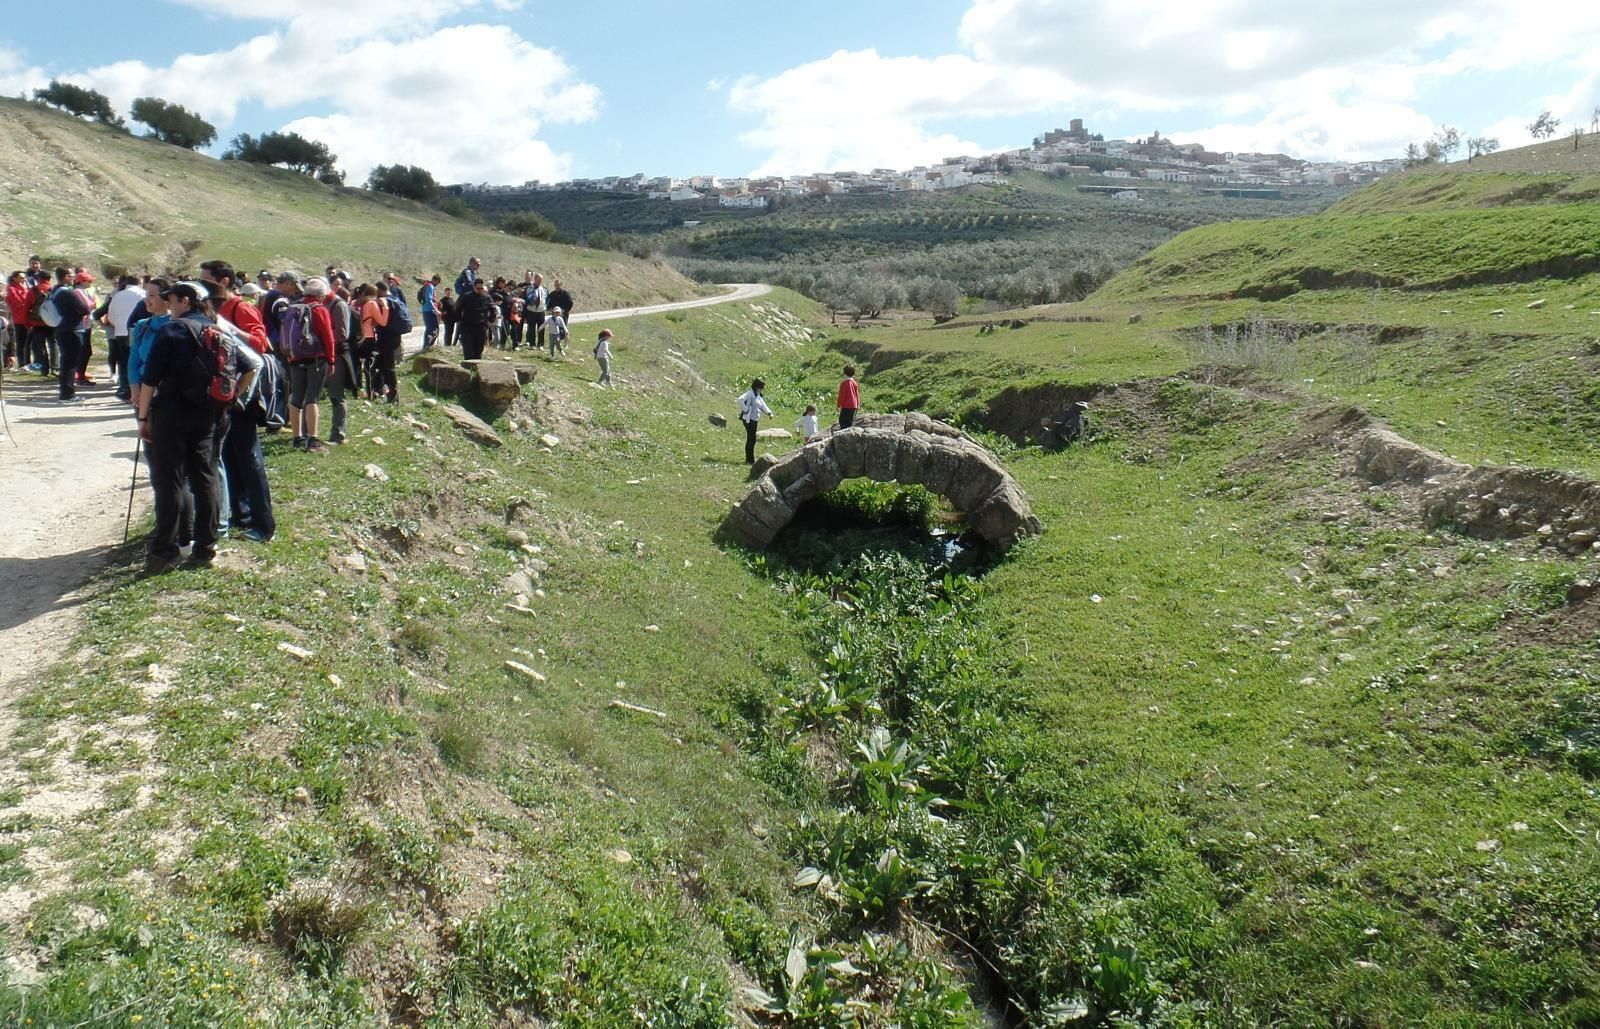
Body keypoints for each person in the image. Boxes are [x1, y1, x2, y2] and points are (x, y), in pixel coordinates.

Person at [137, 281, 246, 574]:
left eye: (170, 299)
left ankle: (164, 551)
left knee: (170, 480)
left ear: (185, 301)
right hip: (208, 412)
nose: (168, 304)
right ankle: (205, 547)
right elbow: (247, 366)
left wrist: (142, 417)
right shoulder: (218, 330)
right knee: (204, 477)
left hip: (170, 412)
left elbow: (149, 379)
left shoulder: (171, 330)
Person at [282, 276, 337, 450]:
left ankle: (297, 438)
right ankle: (313, 439)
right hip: (316, 358)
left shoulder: (293, 308)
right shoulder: (320, 309)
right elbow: (328, 337)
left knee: (296, 397)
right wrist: (331, 359)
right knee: (312, 398)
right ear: (321, 295)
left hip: (294, 358)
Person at [200, 260, 270, 355]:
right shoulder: (204, 305)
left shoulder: (241, 308)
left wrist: (229, 330)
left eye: (206, 280)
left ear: (224, 281)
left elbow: (260, 345)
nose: (201, 284)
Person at [47, 267, 90, 403]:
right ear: (66, 277)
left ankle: (65, 392)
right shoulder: (67, 293)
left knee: (66, 361)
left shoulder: (54, 291)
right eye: (71, 276)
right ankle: (68, 394)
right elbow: (84, 309)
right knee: (70, 362)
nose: (73, 278)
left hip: (60, 328)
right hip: (72, 329)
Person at [105, 274, 147, 401]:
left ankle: (124, 387)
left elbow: (110, 315)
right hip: (136, 331)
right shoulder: (142, 294)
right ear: (139, 282)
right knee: (137, 360)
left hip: (119, 331)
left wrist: (117, 324)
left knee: (123, 361)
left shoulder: (117, 295)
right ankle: (137, 388)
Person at [323, 282, 355, 445]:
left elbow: (342, 334)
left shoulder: (338, 305)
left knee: (336, 396)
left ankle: (338, 434)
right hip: (322, 355)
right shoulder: (322, 304)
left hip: (337, 355)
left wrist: (321, 338)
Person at [358, 284, 388, 400]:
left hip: (361, 336)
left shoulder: (362, 303)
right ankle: (371, 392)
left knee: (363, 365)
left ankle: (363, 391)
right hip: (369, 336)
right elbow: (383, 322)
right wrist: (385, 307)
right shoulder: (372, 304)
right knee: (370, 367)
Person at [455, 278, 494, 361]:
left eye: (481, 288)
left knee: (478, 350)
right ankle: (467, 370)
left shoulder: (487, 297)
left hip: (481, 327)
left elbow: (493, 309)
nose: (480, 290)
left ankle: (476, 370)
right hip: (467, 327)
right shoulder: (466, 296)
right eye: (478, 288)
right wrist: (459, 320)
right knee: (468, 350)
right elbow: (457, 308)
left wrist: (490, 321)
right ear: (474, 287)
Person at [737, 378, 774, 465]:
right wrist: (745, 410)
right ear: (756, 386)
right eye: (760, 387)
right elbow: (740, 399)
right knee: (751, 439)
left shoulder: (758, 395)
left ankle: (751, 459)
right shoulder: (750, 394)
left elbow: (763, 405)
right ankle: (749, 460)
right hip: (748, 419)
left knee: (752, 439)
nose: (761, 389)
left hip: (754, 420)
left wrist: (769, 413)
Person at [4, 271, 30, 370]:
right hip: (17, 319)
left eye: (24, 278)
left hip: (26, 318)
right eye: (21, 278)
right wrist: (24, 290)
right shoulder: (11, 289)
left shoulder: (25, 288)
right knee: (20, 342)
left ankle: (27, 363)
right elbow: (19, 301)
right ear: (14, 278)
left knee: (27, 343)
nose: (23, 280)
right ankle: (21, 363)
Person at [523, 272, 546, 351]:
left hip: (541, 311)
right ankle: (532, 344)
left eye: (541, 280)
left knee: (541, 328)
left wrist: (545, 306)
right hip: (531, 311)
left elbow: (546, 299)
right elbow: (527, 299)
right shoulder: (530, 288)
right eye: (538, 280)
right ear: (535, 279)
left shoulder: (543, 288)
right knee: (531, 328)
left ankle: (540, 344)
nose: (540, 282)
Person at [420, 274, 441, 349]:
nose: (437, 285)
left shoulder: (428, 285)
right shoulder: (430, 286)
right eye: (438, 283)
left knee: (431, 329)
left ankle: (427, 346)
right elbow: (429, 300)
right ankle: (427, 346)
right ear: (435, 281)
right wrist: (437, 311)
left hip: (427, 310)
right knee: (432, 329)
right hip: (429, 311)